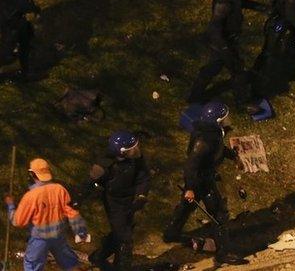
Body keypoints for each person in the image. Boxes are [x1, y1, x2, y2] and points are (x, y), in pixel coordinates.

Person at [163, 101, 248, 266]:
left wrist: (233, 156)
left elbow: (218, 149)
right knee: (219, 215)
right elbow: (191, 166)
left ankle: (171, 233)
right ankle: (223, 253)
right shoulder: (203, 142)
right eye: (224, 118)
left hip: (203, 179)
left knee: (186, 207)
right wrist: (190, 188)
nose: (227, 120)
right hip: (201, 181)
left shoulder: (211, 134)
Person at [188, 0, 270, 115]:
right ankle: (243, 103)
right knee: (237, 70)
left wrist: (264, 8)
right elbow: (215, 27)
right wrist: (225, 48)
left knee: (212, 68)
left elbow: (244, 2)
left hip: (224, 41)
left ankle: (194, 96)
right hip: (222, 42)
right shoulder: (223, 2)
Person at [72, 131, 150, 270]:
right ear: (120, 152)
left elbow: (143, 177)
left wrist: (141, 196)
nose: (135, 152)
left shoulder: (135, 159)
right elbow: (87, 185)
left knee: (124, 230)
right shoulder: (103, 166)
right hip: (115, 203)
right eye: (131, 150)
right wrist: (77, 201)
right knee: (124, 238)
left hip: (130, 200)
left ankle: (99, 256)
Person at [4, 158, 88, 271]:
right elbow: (72, 213)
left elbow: (17, 221)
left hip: (40, 239)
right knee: (70, 263)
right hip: (59, 236)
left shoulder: (31, 196)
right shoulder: (60, 190)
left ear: (32, 174)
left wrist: (11, 206)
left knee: (32, 266)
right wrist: (81, 232)